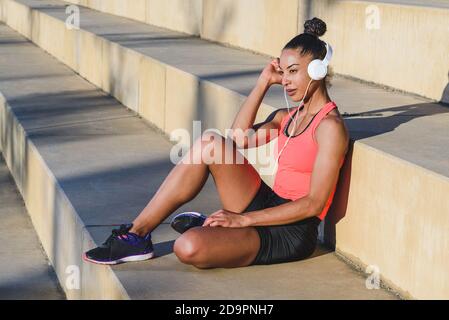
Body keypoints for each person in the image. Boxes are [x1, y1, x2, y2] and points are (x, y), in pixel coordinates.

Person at [83, 17, 349, 268]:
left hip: (293, 230)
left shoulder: (329, 128)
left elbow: (314, 203)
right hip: (269, 202)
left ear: (318, 70)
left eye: (293, 71)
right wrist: (263, 83)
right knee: (211, 142)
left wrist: (242, 219)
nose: (286, 81)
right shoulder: (287, 117)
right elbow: (237, 138)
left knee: (188, 247)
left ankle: (208, 229)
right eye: (283, 71)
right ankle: (136, 235)